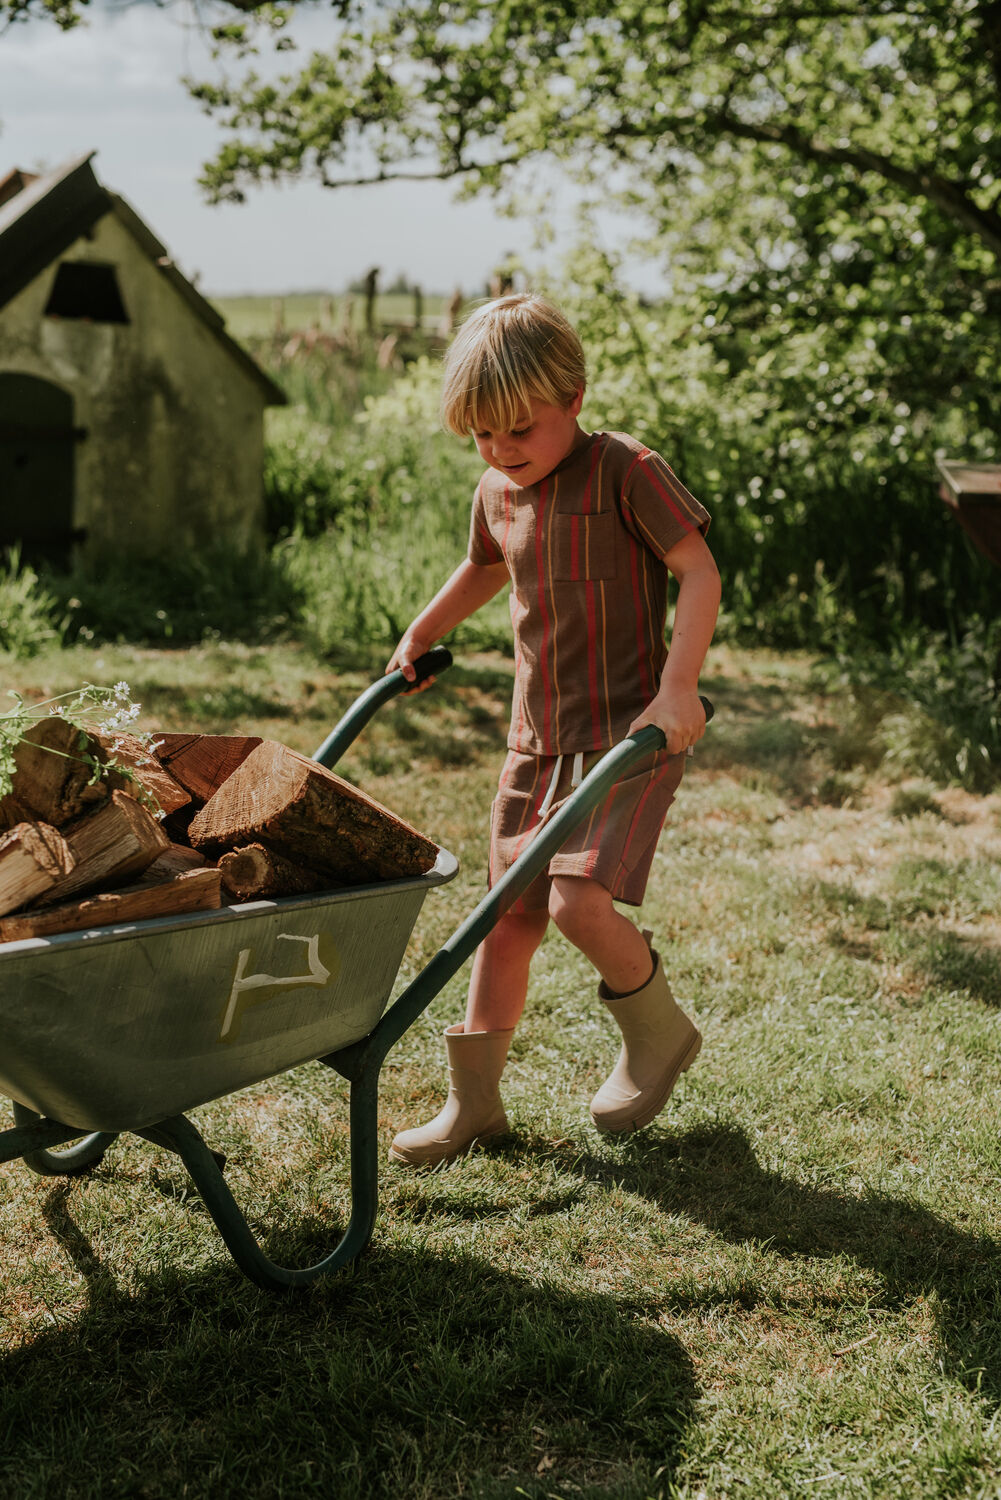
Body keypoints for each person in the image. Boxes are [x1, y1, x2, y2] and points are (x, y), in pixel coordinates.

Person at [386, 293, 721, 1167]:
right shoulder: (496, 490)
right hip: (536, 740)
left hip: (630, 732)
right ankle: (473, 1104)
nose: (501, 450)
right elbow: (480, 567)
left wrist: (677, 689)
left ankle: (656, 1032)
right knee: (504, 918)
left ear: (573, 397)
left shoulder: (625, 470)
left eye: (519, 429)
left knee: (577, 901)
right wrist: (422, 632)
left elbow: (697, 571)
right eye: (481, 434)